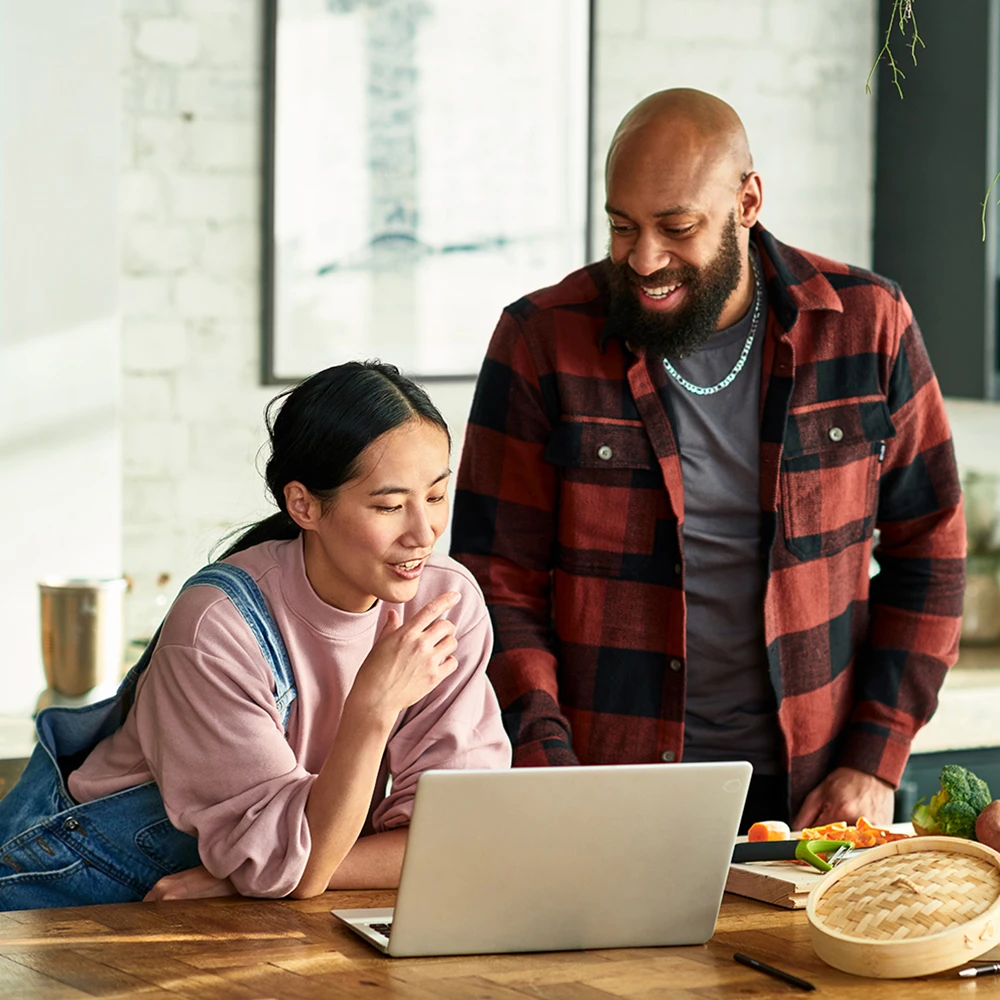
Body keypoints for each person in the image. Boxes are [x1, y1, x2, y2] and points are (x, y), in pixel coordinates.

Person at [450, 88, 965, 833]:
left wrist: (873, 758)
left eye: (677, 227)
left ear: (748, 201)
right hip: (603, 788)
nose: (644, 258)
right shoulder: (540, 340)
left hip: (812, 797)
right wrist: (545, 767)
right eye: (622, 227)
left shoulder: (868, 326)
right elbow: (496, 582)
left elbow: (933, 552)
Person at [0, 361, 510, 911]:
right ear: (304, 505)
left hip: (240, 896)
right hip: (86, 886)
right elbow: (291, 869)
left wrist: (244, 878)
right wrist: (372, 707)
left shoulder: (444, 605)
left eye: (435, 496)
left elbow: (458, 836)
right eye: (389, 506)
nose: (424, 532)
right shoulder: (217, 626)